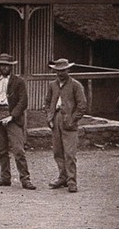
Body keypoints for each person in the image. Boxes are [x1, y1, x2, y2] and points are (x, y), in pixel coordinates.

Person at [0, 53, 35, 189]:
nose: (4, 68)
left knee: (18, 150)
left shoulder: (18, 82)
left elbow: (23, 101)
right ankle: (5, 177)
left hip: (13, 117)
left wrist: (12, 116)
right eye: (2, 65)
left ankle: (25, 179)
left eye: (7, 65)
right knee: (1, 149)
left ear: (11, 67)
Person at [43, 58, 87, 193]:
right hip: (56, 118)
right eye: (57, 71)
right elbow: (47, 101)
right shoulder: (52, 85)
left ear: (68, 70)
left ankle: (72, 181)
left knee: (70, 153)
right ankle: (62, 177)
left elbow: (82, 105)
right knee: (57, 151)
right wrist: (49, 116)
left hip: (69, 120)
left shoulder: (76, 85)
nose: (60, 74)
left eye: (62, 71)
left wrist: (73, 120)